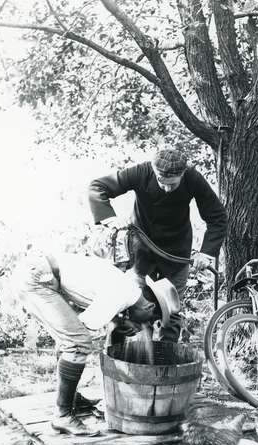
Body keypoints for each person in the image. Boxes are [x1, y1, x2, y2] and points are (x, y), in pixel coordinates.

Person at [13, 250, 177, 436]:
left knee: (69, 336)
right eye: (148, 321)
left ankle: (72, 398)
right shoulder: (120, 294)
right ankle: (63, 414)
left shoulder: (125, 289)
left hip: (37, 273)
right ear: (150, 306)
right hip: (37, 279)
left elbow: (99, 314)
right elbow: (86, 326)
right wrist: (119, 322)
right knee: (77, 342)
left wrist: (120, 321)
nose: (144, 326)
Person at [88, 146, 227, 342]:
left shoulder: (193, 178)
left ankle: (165, 365)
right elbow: (97, 187)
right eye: (163, 182)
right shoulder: (141, 172)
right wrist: (110, 219)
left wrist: (205, 253)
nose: (167, 189)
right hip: (141, 254)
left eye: (173, 184)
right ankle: (117, 362)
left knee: (171, 312)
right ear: (154, 171)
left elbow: (218, 217)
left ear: (182, 174)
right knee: (132, 309)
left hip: (176, 255)